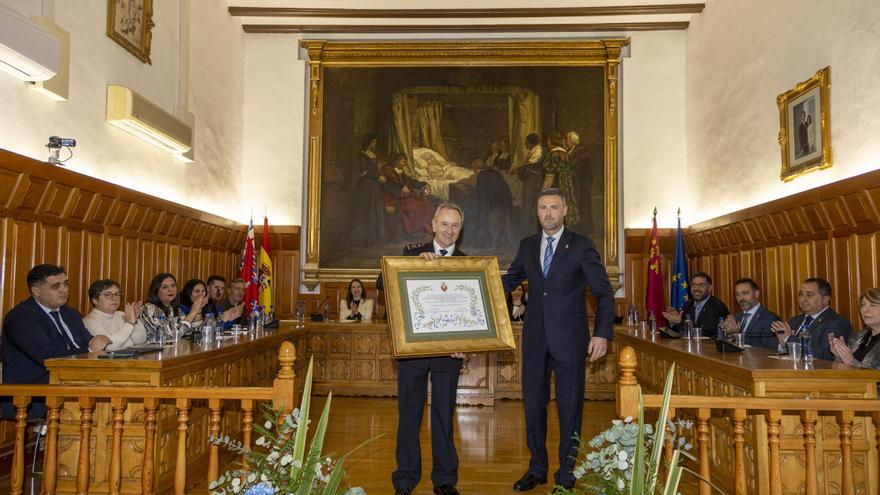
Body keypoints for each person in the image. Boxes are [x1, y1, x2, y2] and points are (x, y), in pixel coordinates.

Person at [502, 189, 614, 493]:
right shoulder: (527, 246)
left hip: (570, 340)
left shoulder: (581, 245)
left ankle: (566, 473)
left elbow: (603, 293)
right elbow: (507, 282)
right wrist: (471, 285)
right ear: (536, 213)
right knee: (534, 407)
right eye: (542, 208)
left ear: (565, 210)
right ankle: (537, 468)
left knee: (570, 409)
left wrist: (602, 333)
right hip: (535, 339)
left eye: (554, 207)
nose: (548, 213)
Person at [377, 203, 467, 495]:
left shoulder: (468, 263)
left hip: (448, 354)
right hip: (413, 351)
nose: (449, 231)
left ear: (460, 229)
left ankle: (444, 479)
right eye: (444, 224)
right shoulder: (412, 253)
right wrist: (415, 264)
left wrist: (467, 345)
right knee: (409, 416)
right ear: (433, 224)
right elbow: (382, 283)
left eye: (455, 226)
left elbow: (473, 312)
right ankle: (405, 479)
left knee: (444, 417)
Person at [2, 265, 112, 418]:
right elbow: (48, 357)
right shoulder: (22, 317)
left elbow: (90, 342)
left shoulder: (71, 314)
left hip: (72, 379)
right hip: (35, 389)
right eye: (56, 286)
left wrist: (95, 347)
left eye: (66, 284)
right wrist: (89, 350)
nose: (64, 290)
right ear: (36, 291)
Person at [771, 277, 852, 361]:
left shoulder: (836, 323)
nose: (802, 299)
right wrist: (783, 344)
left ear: (825, 299)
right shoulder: (795, 320)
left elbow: (824, 354)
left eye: (809, 295)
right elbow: (781, 349)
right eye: (800, 294)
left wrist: (788, 338)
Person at [83, 279, 148, 351]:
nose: (115, 298)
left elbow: (140, 340)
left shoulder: (122, 315)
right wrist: (130, 324)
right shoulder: (89, 322)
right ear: (95, 300)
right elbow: (109, 346)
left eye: (117, 294)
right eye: (108, 294)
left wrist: (135, 321)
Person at [139, 273, 203, 343]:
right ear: (156, 291)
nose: (170, 290)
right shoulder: (148, 308)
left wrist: (198, 309)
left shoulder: (176, 310)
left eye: (173, 286)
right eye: (165, 287)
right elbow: (169, 336)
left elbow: (192, 333)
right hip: (155, 351)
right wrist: (193, 312)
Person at [662, 272, 730, 337]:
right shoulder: (688, 304)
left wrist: (680, 322)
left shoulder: (717, 307)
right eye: (693, 285)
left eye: (701, 285)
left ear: (710, 288)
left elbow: (707, 334)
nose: (696, 288)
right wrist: (673, 322)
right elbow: (679, 332)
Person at [719, 278, 780, 349]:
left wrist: (737, 335)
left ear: (756, 294)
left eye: (745, 293)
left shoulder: (770, 318)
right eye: (737, 294)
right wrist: (729, 335)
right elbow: (728, 344)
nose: (741, 298)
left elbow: (768, 348)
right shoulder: (736, 317)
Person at [830, 288, 880, 371]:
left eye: (873, 305)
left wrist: (852, 362)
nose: (865, 310)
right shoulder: (858, 336)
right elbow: (847, 369)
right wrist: (840, 356)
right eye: (863, 304)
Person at [541, 132, 580, 226]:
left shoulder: (551, 154)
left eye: (548, 140)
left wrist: (543, 190)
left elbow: (549, 175)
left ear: (551, 141)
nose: (547, 142)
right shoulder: (565, 153)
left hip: (555, 184)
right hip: (566, 184)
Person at [511, 133, 544, 234]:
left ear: (530, 142)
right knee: (526, 205)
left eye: (526, 142)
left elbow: (532, 166)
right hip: (530, 182)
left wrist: (518, 169)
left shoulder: (538, 150)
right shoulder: (533, 150)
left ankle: (528, 230)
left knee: (529, 206)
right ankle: (526, 229)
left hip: (533, 182)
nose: (525, 144)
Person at [565, 131, 593, 233]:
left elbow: (584, 171)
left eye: (567, 139)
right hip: (574, 184)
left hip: (581, 185)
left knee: (581, 207)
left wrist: (572, 173)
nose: (565, 141)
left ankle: (580, 228)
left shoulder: (582, 153)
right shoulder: (571, 151)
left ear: (572, 141)